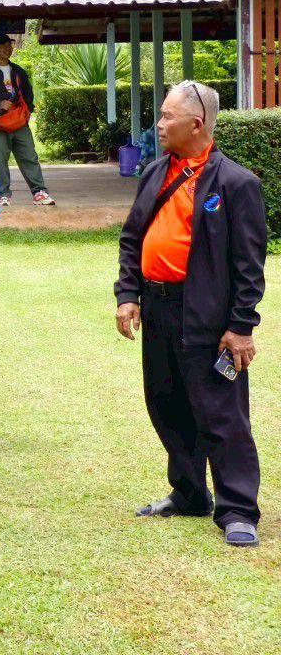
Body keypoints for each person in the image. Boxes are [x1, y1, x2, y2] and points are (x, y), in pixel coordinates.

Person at [115, 81, 267, 548]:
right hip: (157, 307)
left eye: (167, 117)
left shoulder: (236, 183)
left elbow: (249, 265)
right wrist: (128, 294)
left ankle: (237, 510)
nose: (159, 125)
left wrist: (240, 327)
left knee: (221, 413)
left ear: (196, 123)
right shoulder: (156, 171)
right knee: (166, 402)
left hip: (207, 314)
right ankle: (189, 494)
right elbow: (132, 237)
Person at [0, 33, 55, 207]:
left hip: (19, 123)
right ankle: (2, 194)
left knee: (29, 156)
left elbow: (28, 95)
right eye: (3, 46)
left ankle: (39, 192)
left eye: (9, 46)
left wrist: (26, 112)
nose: (7, 49)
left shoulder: (18, 71)